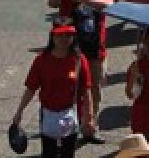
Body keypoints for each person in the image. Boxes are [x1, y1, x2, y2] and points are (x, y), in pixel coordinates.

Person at [46, 0, 113, 143]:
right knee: (70, 90)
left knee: (95, 92)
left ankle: (90, 127)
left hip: (95, 52)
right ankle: (69, 128)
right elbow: (52, 2)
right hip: (70, 51)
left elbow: (109, 4)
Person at [11, 24, 95, 158]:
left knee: (68, 154)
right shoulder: (41, 60)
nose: (64, 39)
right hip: (48, 114)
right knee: (49, 153)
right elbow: (31, 88)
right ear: (52, 37)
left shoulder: (79, 60)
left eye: (68, 35)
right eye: (60, 35)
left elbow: (86, 90)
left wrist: (89, 117)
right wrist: (19, 111)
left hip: (69, 113)